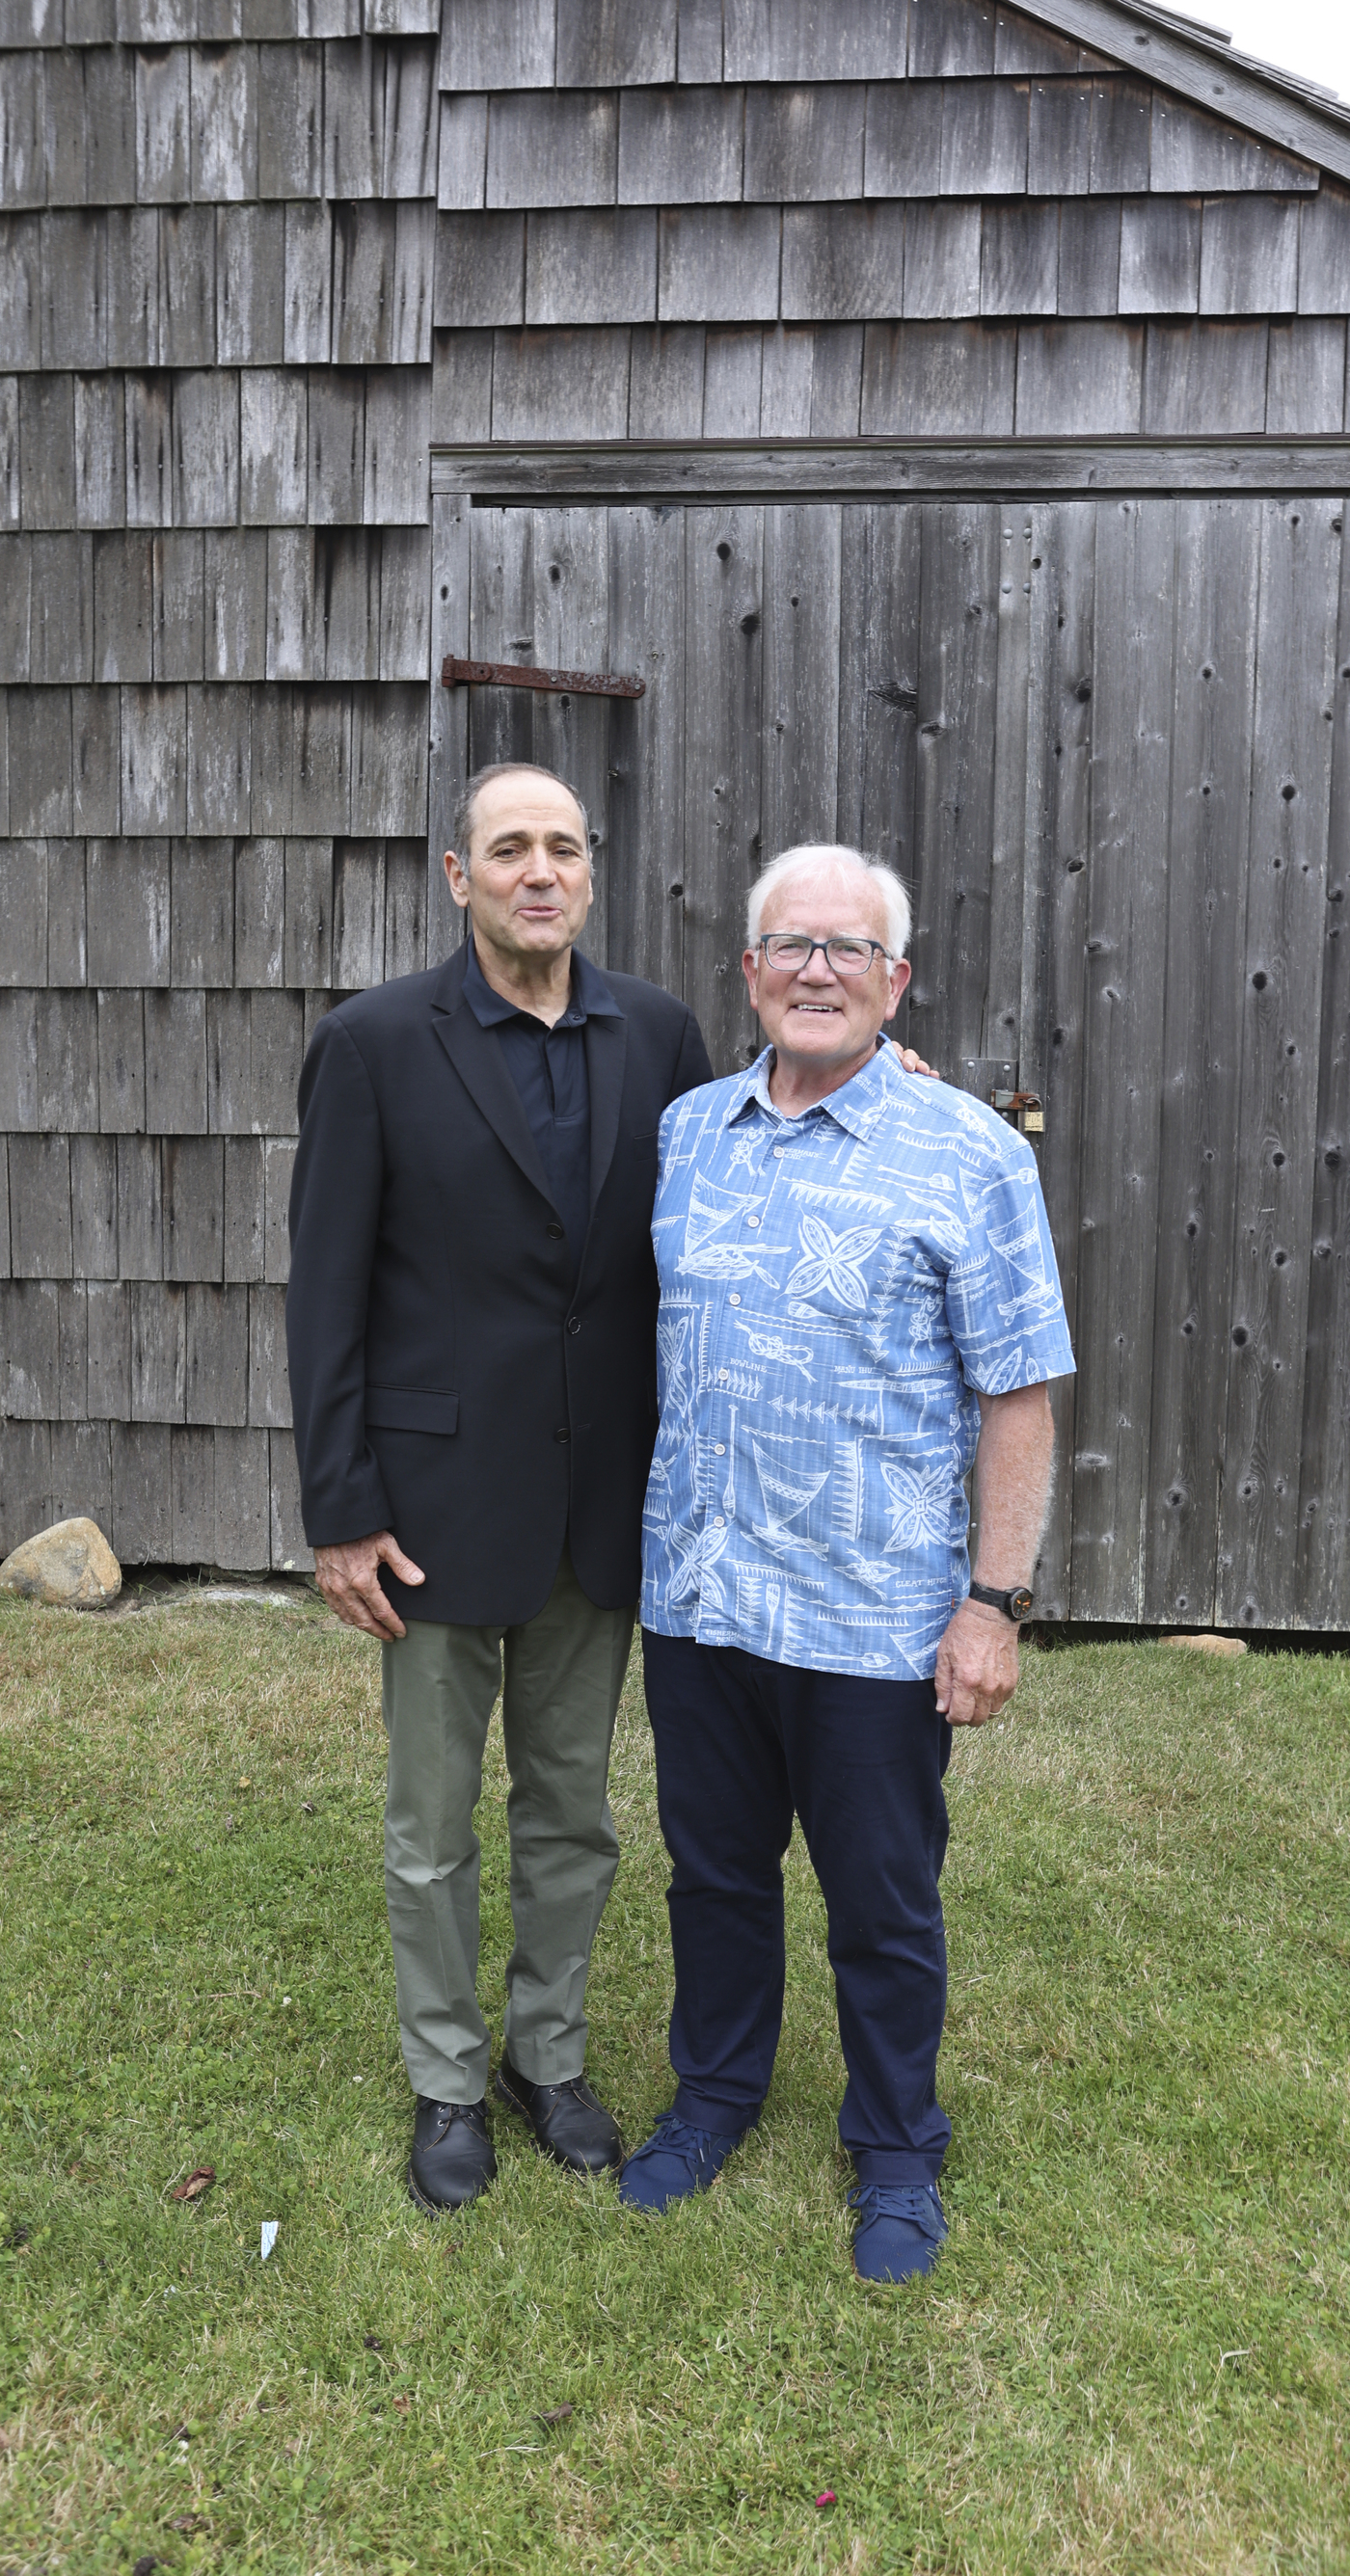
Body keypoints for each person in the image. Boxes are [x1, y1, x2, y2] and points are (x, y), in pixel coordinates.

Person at [617, 843, 1075, 2283]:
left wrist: (991, 1604)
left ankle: (893, 2149)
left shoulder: (973, 1156)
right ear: (747, 971)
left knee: (883, 1900)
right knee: (715, 1877)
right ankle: (714, 2103)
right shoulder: (687, 1132)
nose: (818, 970)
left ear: (898, 979)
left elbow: (1019, 1396)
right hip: (701, 1597)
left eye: (849, 949)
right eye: (790, 946)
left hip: (875, 1618)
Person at [285, 763, 712, 2213]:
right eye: (509, 848)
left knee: (573, 1816)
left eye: (566, 849)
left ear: (593, 875)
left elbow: (732, 1192)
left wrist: (876, 1080)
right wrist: (341, 1508)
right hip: (430, 1513)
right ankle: (447, 2080)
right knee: (431, 1826)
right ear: (457, 877)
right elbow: (325, 1293)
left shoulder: (658, 1036)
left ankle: (549, 2055)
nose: (542, 871)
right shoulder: (374, 1045)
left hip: (601, 1504)